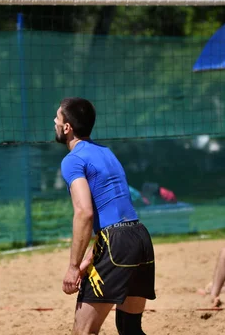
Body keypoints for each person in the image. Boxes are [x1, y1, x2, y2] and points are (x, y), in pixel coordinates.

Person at [54, 97, 156, 335]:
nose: (55, 122)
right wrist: (90, 258)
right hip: (140, 237)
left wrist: (73, 266)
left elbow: (84, 212)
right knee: (129, 328)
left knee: (83, 331)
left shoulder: (73, 160)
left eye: (58, 118)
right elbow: (116, 211)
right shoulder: (107, 153)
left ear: (67, 127)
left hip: (117, 243)